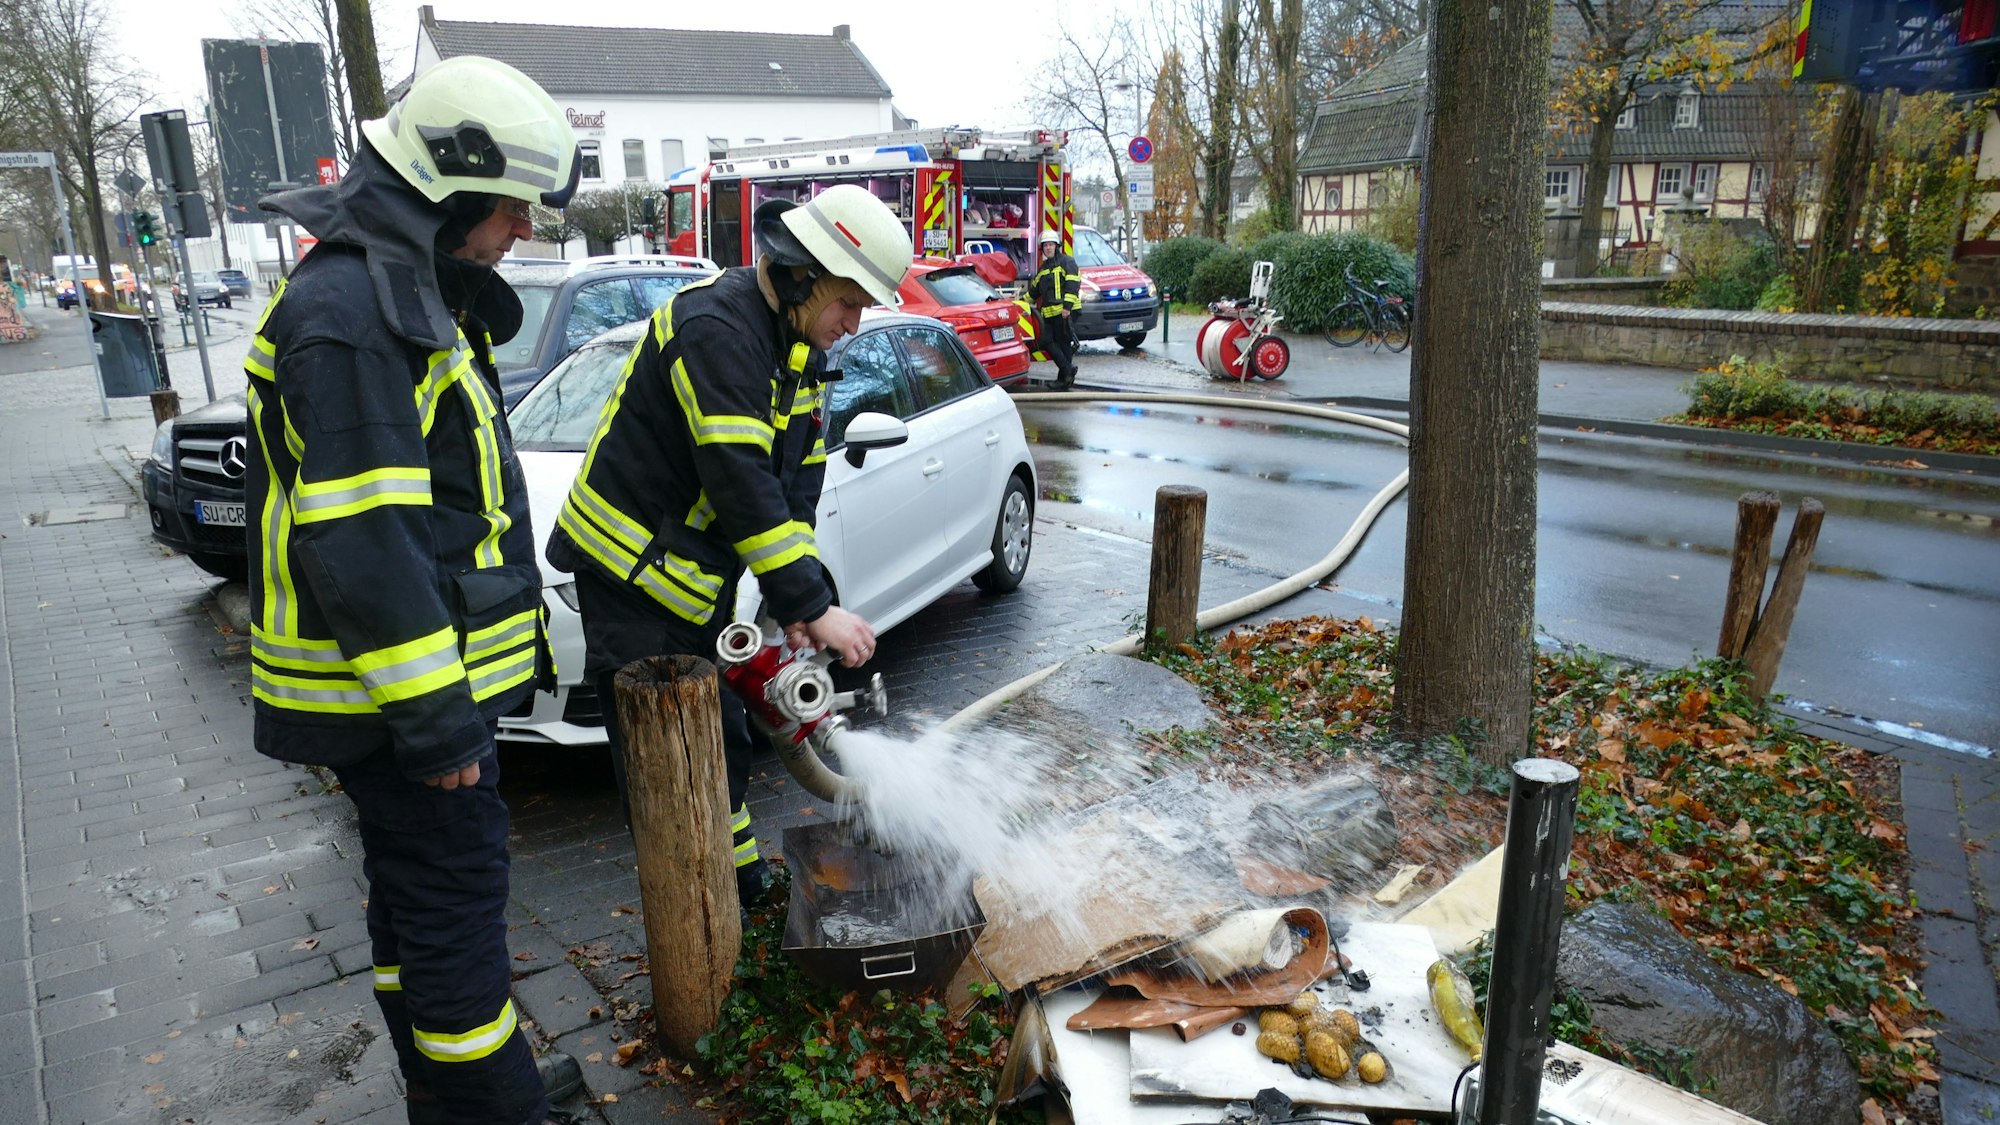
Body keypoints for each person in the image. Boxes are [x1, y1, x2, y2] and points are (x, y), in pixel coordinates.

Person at [244, 56, 583, 1125]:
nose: (519, 230)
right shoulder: (355, 313)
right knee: (453, 935)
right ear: (448, 188)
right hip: (396, 711)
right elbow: (369, 544)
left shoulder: (388, 288)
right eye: (509, 208)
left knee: (412, 914)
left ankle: (443, 1097)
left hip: (386, 703)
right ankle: (494, 1104)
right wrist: (440, 731)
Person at [544, 184, 910, 907]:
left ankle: (734, 882)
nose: (853, 322)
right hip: (625, 575)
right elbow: (740, 478)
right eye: (848, 301)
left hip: (688, 581)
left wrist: (803, 601)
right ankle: (692, 910)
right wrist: (810, 602)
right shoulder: (718, 329)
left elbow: (797, 482)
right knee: (667, 761)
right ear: (802, 273)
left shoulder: (796, 346)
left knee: (720, 738)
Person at [1031, 227, 1082, 389]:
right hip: (1050, 313)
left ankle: (1064, 378)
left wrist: (1067, 308)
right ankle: (1067, 372)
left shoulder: (1068, 262)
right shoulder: (1043, 269)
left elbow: (1073, 285)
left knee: (1063, 343)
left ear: (1057, 246)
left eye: (1051, 245)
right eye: (1045, 246)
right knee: (1048, 341)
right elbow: (1033, 291)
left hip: (1066, 311)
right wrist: (1018, 303)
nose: (1048, 248)